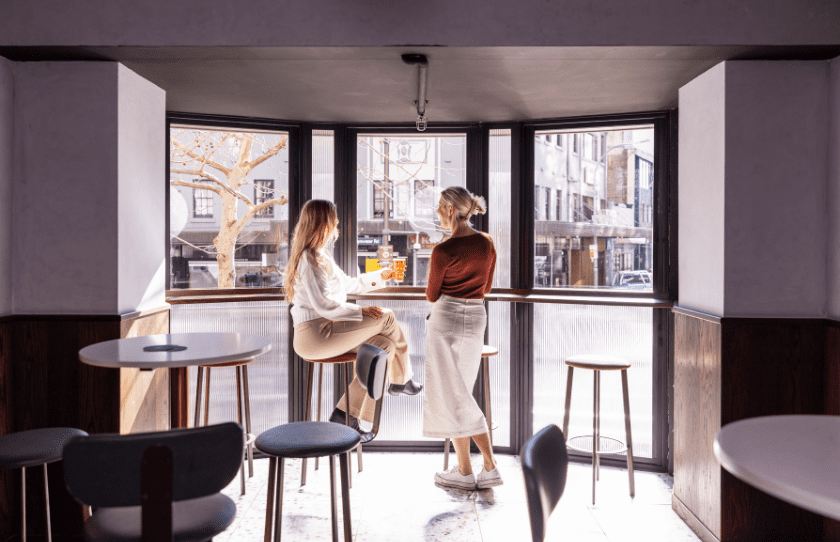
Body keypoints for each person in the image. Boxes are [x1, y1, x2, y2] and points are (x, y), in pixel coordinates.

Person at [285, 199, 423, 436]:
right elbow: (324, 305)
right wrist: (361, 311)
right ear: (323, 223)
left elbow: (349, 284)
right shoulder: (309, 259)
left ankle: (345, 414)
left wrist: (384, 274)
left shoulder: (321, 256)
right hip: (315, 335)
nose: (337, 223)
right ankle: (401, 380)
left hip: (325, 329)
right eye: (334, 218)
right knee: (387, 317)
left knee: (384, 346)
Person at [423, 186, 501, 490]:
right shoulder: (487, 243)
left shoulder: (442, 250)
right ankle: (466, 471)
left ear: (452, 210)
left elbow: (432, 294)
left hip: (446, 321)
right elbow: (487, 289)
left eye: (441, 206)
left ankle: (489, 465)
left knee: (452, 394)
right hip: (476, 318)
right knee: (460, 393)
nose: (438, 211)